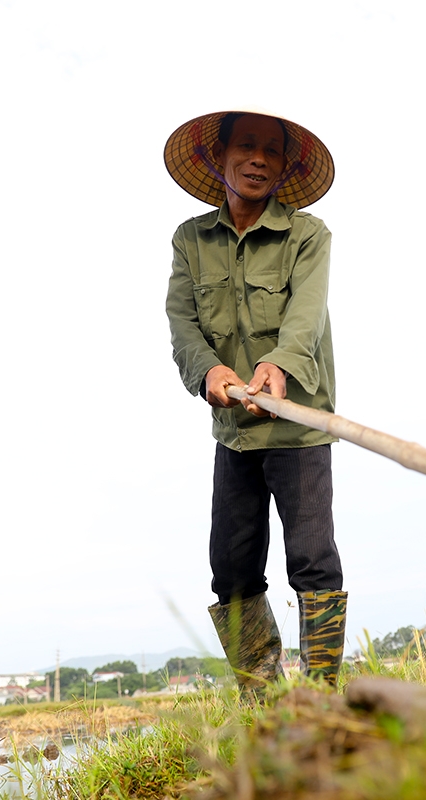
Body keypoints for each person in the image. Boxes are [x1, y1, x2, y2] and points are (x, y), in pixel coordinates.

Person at [164, 108, 347, 691]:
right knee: (233, 570)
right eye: (246, 146)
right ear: (218, 159)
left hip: (299, 427)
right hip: (235, 433)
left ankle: (320, 700)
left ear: (285, 165)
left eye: (272, 150)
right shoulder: (192, 239)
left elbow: (305, 316)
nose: (258, 159)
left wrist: (278, 365)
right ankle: (262, 704)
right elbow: (182, 321)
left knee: (313, 562)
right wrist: (209, 369)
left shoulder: (307, 235)